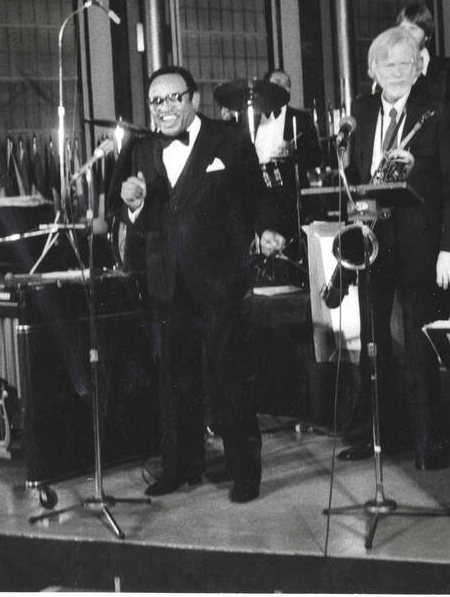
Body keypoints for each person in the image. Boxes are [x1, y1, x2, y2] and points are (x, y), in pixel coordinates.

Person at [117, 65, 275, 503]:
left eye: (172, 99)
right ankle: (181, 467)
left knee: (229, 376)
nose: (164, 108)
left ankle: (245, 473)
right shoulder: (142, 150)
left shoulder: (228, 139)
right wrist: (132, 205)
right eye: (155, 101)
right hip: (167, 280)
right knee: (174, 380)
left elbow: (257, 194)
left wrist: (267, 229)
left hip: (221, 279)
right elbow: (139, 213)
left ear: (193, 100)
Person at [336, 26, 450, 470]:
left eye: (407, 63)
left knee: (417, 343)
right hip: (372, 241)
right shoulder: (360, 111)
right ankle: (380, 435)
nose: (398, 72)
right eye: (388, 64)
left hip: (420, 245)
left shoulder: (437, 113)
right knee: (373, 343)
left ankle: (432, 441)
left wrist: (448, 249)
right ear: (373, 70)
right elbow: (353, 179)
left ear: (419, 68)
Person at [253, 68, 321, 254]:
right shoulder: (250, 119)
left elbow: (317, 156)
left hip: (288, 193)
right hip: (257, 190)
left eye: (287, 84)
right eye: (277, 82)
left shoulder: (301, 118)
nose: (283, 87)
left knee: (287, 248)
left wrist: (293, 151)